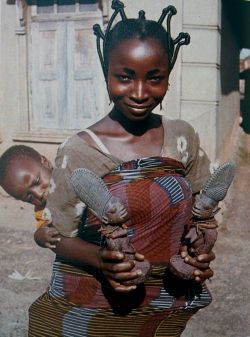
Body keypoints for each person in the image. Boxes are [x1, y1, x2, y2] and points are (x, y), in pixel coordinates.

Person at [22, 1, 219, 335]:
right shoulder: (78, 153)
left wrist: (197, 252)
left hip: (162, 307)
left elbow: (201, 209)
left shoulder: (182, 138)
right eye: (124, 77)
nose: (140, 93)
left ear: (168, 77)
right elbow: (59, 237)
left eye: (154, 78)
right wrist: (103, 260)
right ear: (106, 71)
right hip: (97, 306)